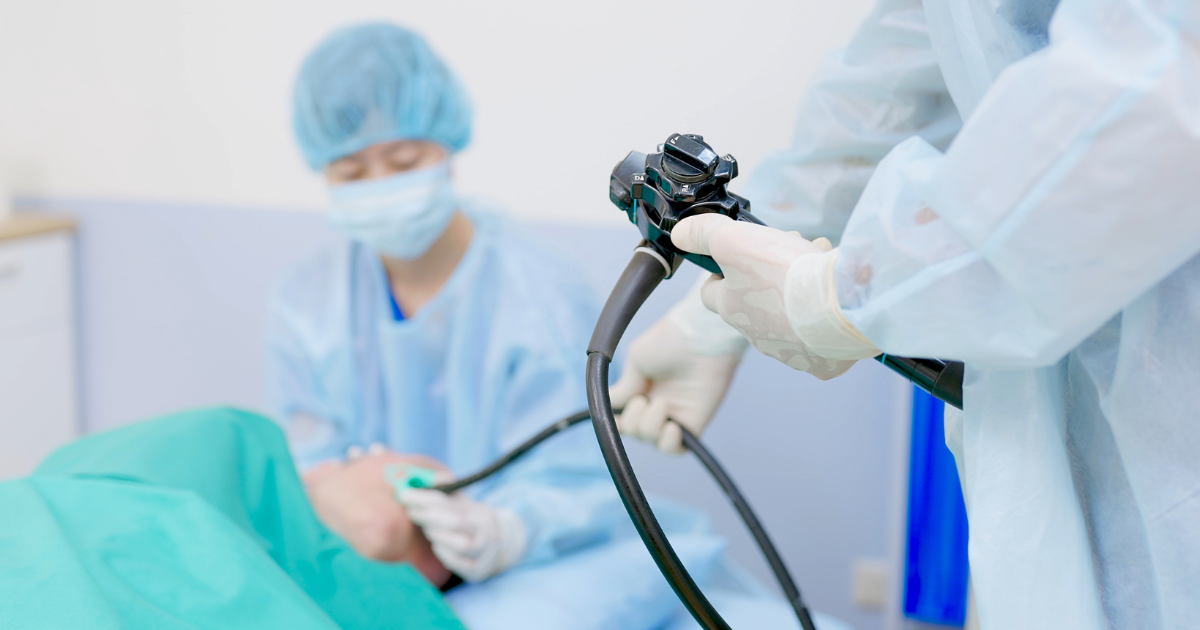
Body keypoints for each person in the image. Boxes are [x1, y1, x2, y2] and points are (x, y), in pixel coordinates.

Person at [612, 0, 1200, 628]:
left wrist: (845, 295)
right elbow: (885, 100)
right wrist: (707, 327)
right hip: (1065, 451)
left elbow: (1160, 91)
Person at [269, 22, 617, 585]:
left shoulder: (540, 294)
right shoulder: (306, 299)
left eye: (404, 161)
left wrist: (506, 530)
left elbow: (580, 478)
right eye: (351, 172)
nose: (379, 183)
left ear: (446, 144)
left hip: (537, 567)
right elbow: (311, 464)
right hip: (367, 565)